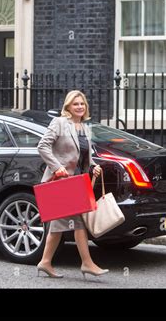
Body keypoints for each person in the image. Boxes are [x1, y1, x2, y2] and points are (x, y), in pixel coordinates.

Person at [36, 90, 109, 279]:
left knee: (59, 224)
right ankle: (87, 263)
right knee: (77, 222)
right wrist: (57, 167)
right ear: (68, 106)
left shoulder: (84, 127)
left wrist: (93, 166)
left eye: (82, 104)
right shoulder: (60, 123)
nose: (79, 107)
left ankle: (45, 262)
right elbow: (42, 146)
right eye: (75, 104)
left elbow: (84, 155)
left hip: (76, 182)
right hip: (61, 182)